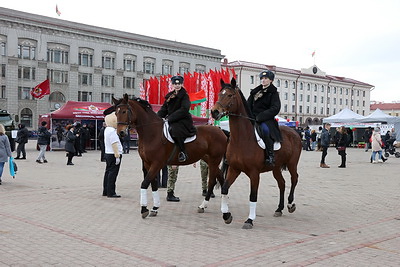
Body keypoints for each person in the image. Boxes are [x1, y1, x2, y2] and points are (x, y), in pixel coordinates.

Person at [157, 75, 196, 162]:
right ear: (172, 85)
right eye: (175, 84)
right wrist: (157, 117)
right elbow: (164, 109)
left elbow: (184, 109)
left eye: (179, 84)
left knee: (175, 130)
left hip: (182, 120)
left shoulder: (185, 96)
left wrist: (170, 118)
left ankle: (183, 152)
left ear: (181, 84)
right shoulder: (169, 96)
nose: (177, 85)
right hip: (171, 119)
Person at [247, 70, 282, 166]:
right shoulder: (255, 92)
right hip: (252, 118)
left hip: (266, 119)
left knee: (265, 130)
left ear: (271, 80)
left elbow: (275, 108)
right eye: (262, 78)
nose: (263, 80)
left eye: (266, 78)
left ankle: (270, 155)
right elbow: (247, 105)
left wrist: (261, 116)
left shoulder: (273, 93)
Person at [102, 109, 123, 198]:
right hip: (113, 154)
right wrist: (117, 155)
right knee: (113, 174)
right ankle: (111, 192)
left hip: (108, 153)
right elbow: (114, 144)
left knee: (107, 172)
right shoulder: (112, 131)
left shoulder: (107, 129)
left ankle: (106, 190)